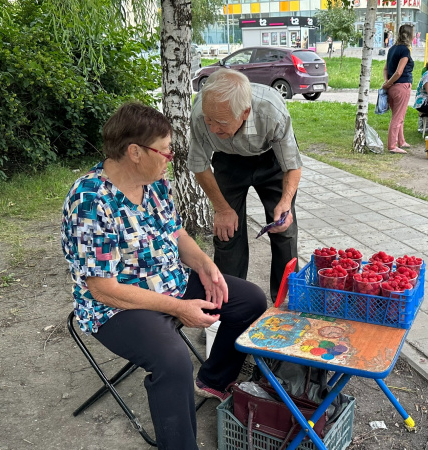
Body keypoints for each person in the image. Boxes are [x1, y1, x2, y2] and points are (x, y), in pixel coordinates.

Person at [61, 102, 267, 449]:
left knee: (250, 300)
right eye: (166, 150)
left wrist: (204, 264)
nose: (171, 158)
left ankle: (213, 379)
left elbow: (176, 234)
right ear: (135, 152)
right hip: (117, 307)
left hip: (169, 282)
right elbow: (103, 289)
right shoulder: (89, 201)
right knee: (171, 360)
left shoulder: (154, 182)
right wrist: (176, 308)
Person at [189, 69, 301, 302]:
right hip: (227, 161)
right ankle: (228, 303)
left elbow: (291, 164)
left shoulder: (271, 110)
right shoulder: (201, 112)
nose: (211, 129)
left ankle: (286, 301)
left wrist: (286, 202)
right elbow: (199, 164)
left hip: (271, 159)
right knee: (226, 233)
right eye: (209, 120)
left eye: (220, 122)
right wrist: (222, 209)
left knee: (284, 229)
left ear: (245, 112)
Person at [382, 24, 415, 154]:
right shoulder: (405, 50)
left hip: (392, 87)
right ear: (410, 35)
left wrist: (387, 83)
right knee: (398, 118)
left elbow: (386, 69)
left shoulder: (392, 49)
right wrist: (389, 83)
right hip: (402, 86)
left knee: (398, 115)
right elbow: (399, 72)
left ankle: (401, 141)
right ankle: (392, 146)